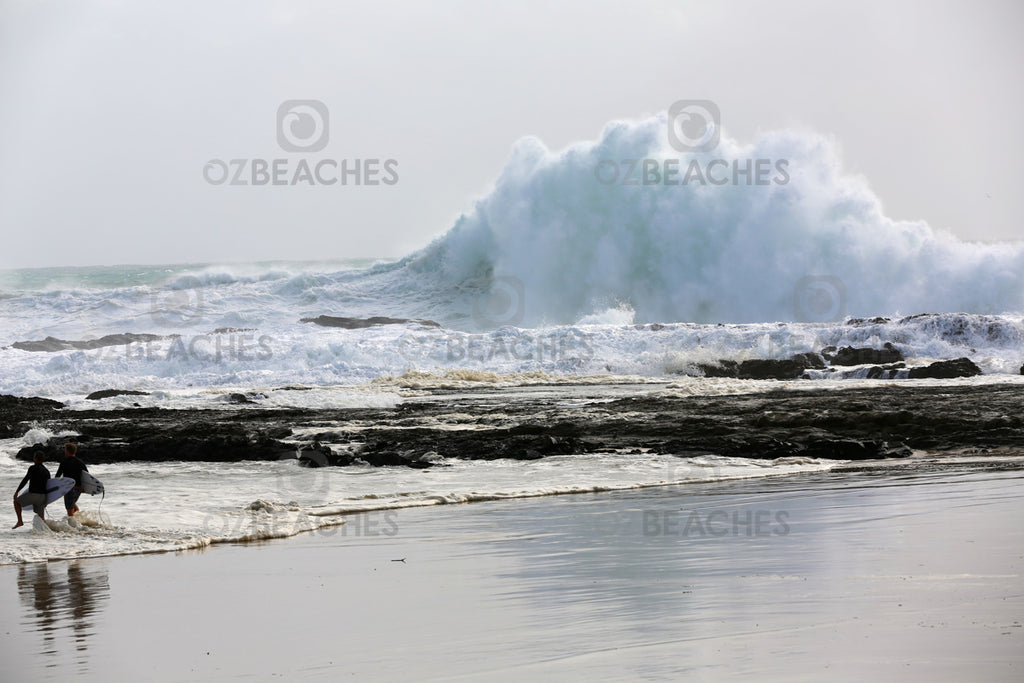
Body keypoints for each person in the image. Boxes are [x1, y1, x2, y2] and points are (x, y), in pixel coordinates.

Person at [13, 451, 51, 529]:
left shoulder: (32, 468)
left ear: (35, 459)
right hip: (42, 497)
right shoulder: (46, 471)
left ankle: (20, 521)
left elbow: (25, 480)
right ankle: (45, 532)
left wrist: (17, 491)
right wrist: (47, 500)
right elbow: (49, 486)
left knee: (16, 502)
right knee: (41, 518)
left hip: (33, 495)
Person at [56, 442, 88, 517]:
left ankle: (73, 527)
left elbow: (57, 476)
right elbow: (87, 476)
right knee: (73, 505)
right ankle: (78, 521)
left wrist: (56, 488)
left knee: (69, 512)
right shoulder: (80, 462)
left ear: (67, 451)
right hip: (78, 489)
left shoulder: (64, 462)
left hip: (69, 488)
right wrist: (84, 488)